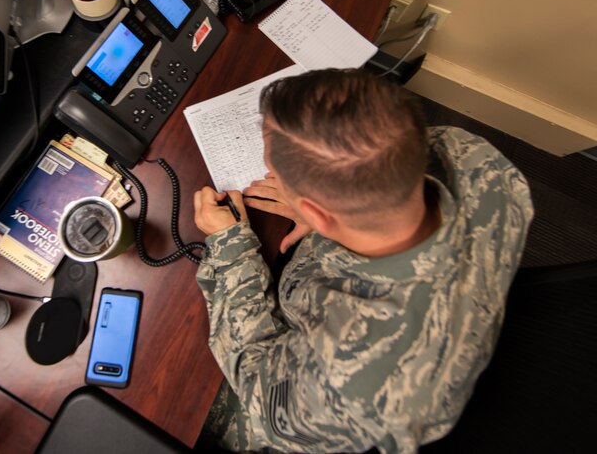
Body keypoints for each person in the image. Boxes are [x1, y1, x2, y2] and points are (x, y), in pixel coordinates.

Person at [193, 68, 534, 453]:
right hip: (445, 304)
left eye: (274, 169)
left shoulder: (347, 377)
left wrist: (230, 244)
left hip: (315, 413)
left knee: (180, 395)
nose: (269, 171)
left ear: (318, 215)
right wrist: (332, 211)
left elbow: (256, 382)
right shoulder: (473, 157)